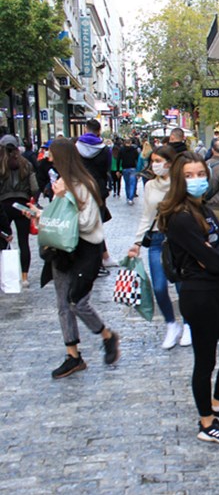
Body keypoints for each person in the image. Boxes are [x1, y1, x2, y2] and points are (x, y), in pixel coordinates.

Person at [157, 152, 219, 444]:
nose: (196, 180)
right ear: (178, 180)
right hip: (197, 295)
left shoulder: (203, 209)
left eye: (200, 174)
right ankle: (206, 422)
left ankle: (218, 402)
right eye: (189, 175)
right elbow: (214, 259)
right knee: (205, 360)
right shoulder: (180, 218)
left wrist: (216, 256)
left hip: (214, 289)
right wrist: (215, 257)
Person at [36, 139, 120, 378]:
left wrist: (65, 198)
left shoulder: (84, 184)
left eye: (51, 155)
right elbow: (59, 217)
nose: (48, 159)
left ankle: (107, 335)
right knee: (63, 305)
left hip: (85, 250)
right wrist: (43, 215)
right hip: (62, 250)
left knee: (77, 302)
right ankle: (73, 355)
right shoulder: (61, 183)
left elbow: (87, 222)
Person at [128, 145, 187, 350]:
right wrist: (136, 242)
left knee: (181, 284)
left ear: (169, 163)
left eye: (158, 161)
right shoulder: (150, 186)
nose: (154, 165)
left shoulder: (181, 184)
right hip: (156, 239)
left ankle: (188, 324)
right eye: (152, 161)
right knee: (159, 286)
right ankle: (171, 324)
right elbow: (146, 215)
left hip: (178, 239)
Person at [76, 119, 115, 275]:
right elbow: (107, 168)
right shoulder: (104, 149)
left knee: (82, 224)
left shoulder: (76, 147)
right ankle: (99, 260)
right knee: (96, 224)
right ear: (99, 131)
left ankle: (88, 259)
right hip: (98, 189)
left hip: (81, 188)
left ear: (86, 129)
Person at [0, 134, 38, 287]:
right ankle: (24, 277)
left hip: (3, 206)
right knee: (24, 242)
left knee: (3, 239)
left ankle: (4, 273)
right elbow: (35, 187)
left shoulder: (1, 164)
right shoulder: (26, 164)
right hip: (22, 206)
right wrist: (30, 199)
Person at [119, 137, 140, 205]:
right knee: (132, 184)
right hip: (133, 168)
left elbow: (119, 160)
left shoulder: (121, 150)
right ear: (130, 143)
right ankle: (131, 198)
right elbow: (137, 159)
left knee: (127, 184)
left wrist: (118, 170)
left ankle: (128, 197)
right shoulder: (134, 149)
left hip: (125, 168)